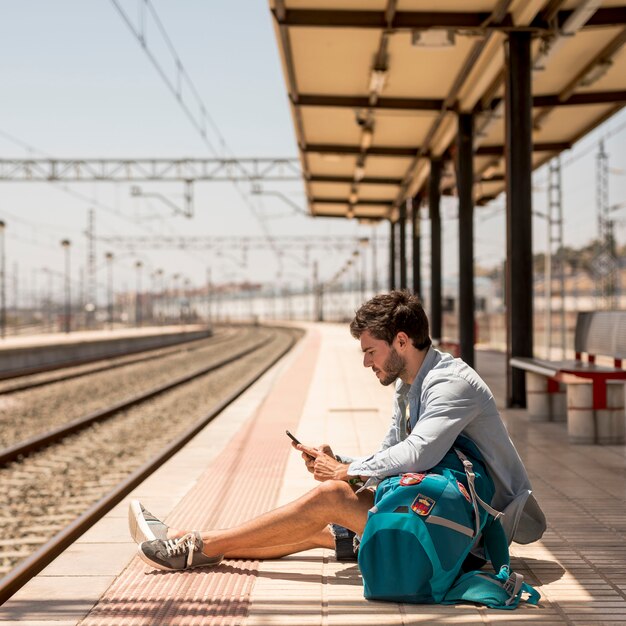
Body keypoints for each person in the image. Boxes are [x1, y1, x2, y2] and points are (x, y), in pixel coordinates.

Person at [129, 290, 546, 571]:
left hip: (472, 533)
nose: (366, 363)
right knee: (317, 528)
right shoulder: (410, 387)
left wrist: (344, 475)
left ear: (401, 341)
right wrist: (343, 462)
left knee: (332, 498)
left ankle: (194, 544)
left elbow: (417, 454)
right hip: (443, 511)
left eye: (371, 351)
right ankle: (201, 548)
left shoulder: (450, 384)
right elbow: (392, 453)